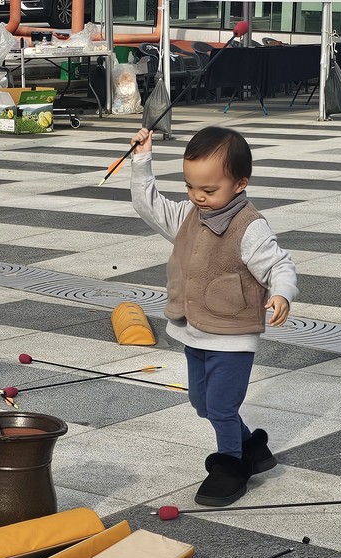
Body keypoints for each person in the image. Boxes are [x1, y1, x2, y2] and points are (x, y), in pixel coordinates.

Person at [130, 126, 298, 507]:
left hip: (232, 336)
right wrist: (142, 159)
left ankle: (229, 466)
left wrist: (281, 294)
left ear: (240, 184)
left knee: (221, 406)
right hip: (194, 331)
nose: (198, 198)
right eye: (191, 187)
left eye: (209, 190)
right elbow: (148, 206)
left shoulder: (249, 227)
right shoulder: (190, 215)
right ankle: (253, 450)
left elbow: (280, 265)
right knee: (202, 404)